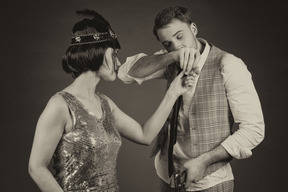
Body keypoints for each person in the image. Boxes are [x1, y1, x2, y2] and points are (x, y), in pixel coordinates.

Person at [28, 9, 197, 192]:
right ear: (97, 51)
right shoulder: (60, 104)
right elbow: (36, 168)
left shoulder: (105, 103)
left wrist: (173, 92)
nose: (118, 63)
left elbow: (145, 135)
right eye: (114, 54)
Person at [118, 6, 265, 192]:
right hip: (166, 177)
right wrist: (171, 56)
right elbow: (125, 74)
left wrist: (204, 161)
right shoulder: (172, 59)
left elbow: (254, 129)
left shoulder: (228, 64)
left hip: (210, 182)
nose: (177, 45)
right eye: (167, 43)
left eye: (180, 36)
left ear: (193, 29)